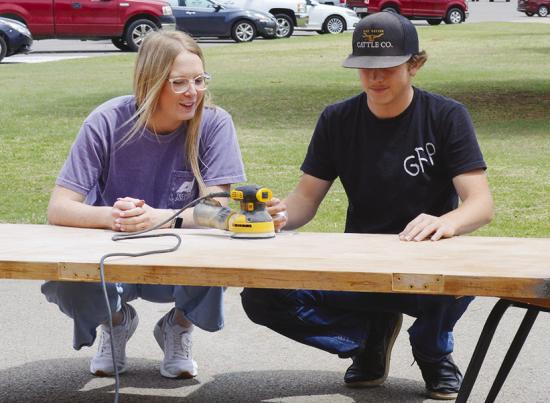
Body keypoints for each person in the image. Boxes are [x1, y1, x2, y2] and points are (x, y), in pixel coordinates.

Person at [241, 11, 494, 400]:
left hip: (426, 263)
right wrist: (278, 216)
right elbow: (305, 199)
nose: (375, 77)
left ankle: (432, 352)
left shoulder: (446, 116)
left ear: (414, 64)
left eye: (387, 67)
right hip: (359, 267)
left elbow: (480, 204)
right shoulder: (337, 119)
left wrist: (448, 222)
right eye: (365, 67)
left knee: (463, 278)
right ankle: (368, 340)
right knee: (261, 295)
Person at [42, 31, 246, 379]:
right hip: (114, 251)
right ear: (149, 83)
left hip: (181, 251)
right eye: (179, 82)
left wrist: (158, 219)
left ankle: (178, 328)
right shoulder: (105, 121)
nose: (193, 92)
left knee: (219, 252)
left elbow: (218, 210)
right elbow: (59, 208)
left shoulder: (214, 123)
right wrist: (115, 216)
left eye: (199, 80)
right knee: (65, 279)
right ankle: (117, 323)